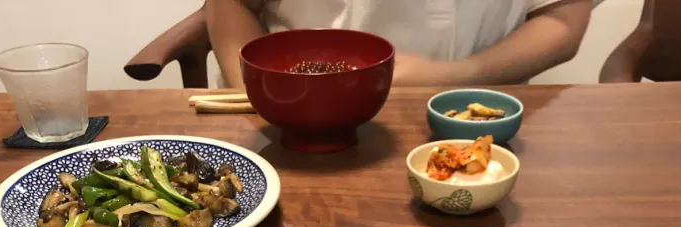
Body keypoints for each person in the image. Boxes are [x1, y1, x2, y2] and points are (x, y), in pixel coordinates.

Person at [207, 0, 595, 88]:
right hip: (291, 114)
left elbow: (561, 19)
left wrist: (455, 75)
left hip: (480, 110)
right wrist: (252, 92)